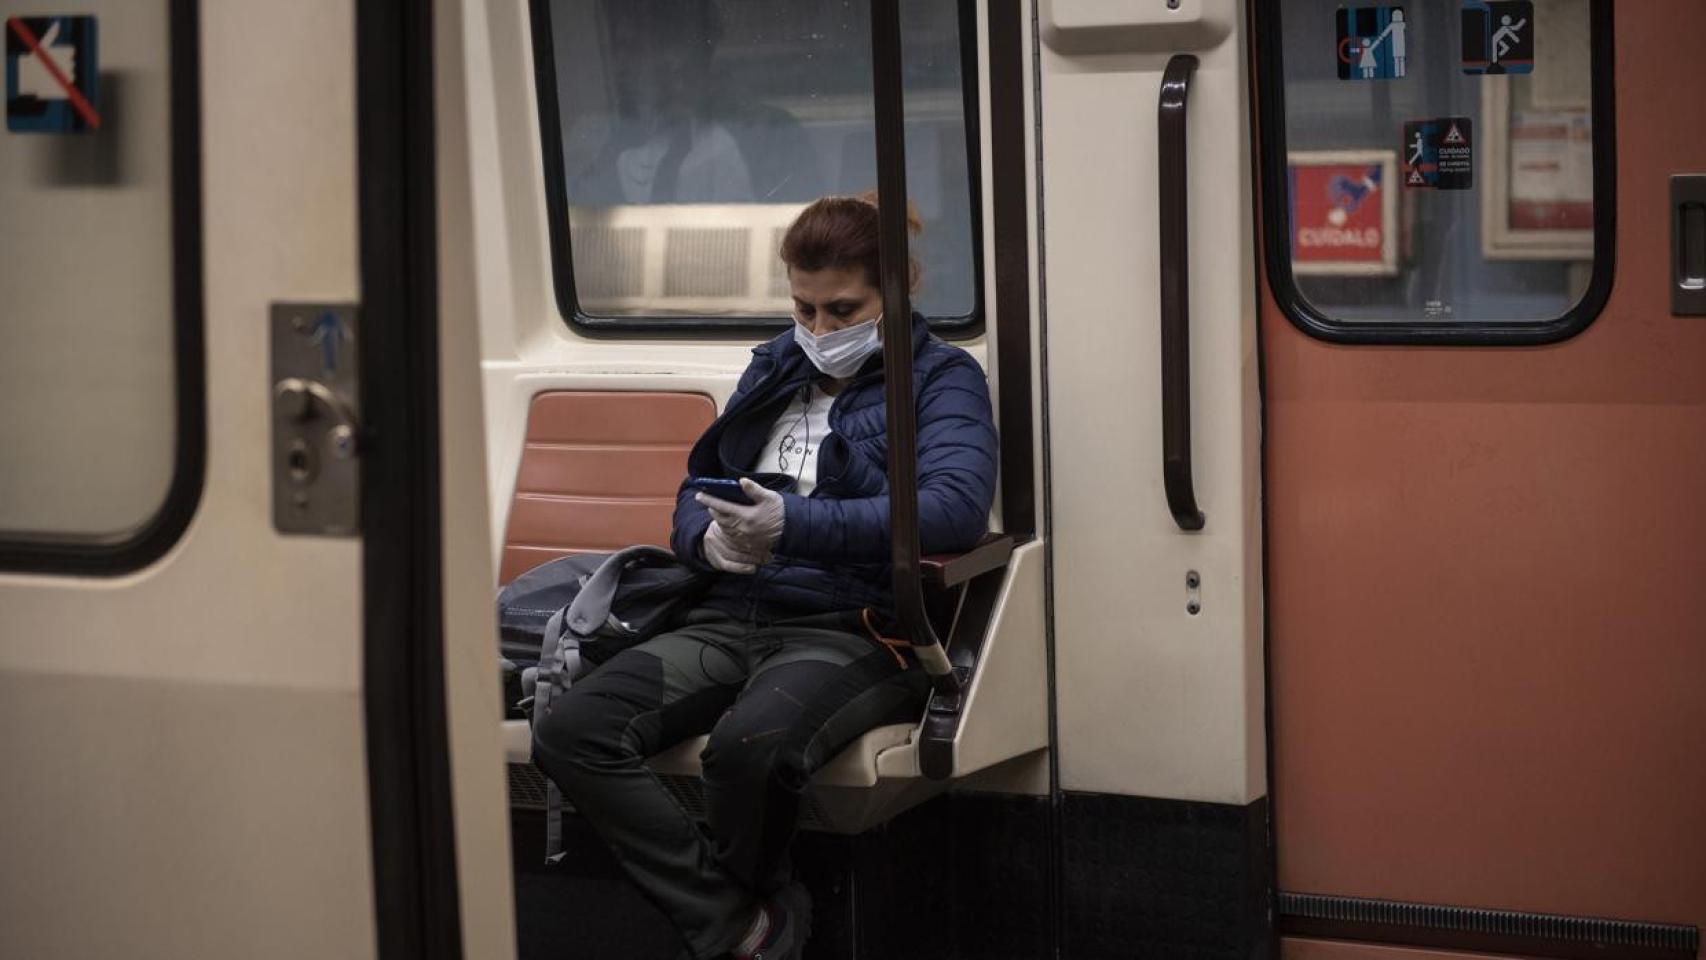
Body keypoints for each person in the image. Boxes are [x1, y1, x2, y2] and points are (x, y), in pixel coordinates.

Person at [530, 194, 999, 960]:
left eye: (842, 310)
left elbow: (949, 511)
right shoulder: (776, 366)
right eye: (804, 308)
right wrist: (707, 545)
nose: (819, 332)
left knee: (751, 746)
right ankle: (743, 924)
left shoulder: (942, 382)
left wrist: (793, 526)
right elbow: (697, 489)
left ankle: (736, 926)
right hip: (729, 613)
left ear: (901, 287)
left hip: (851, 627)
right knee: (572, 731)